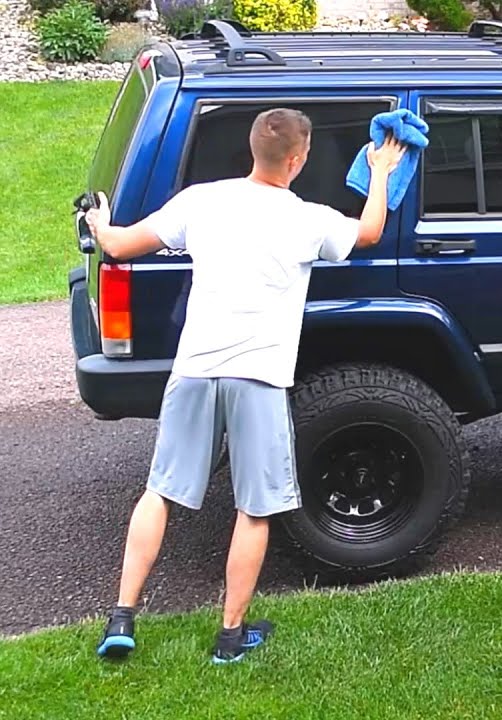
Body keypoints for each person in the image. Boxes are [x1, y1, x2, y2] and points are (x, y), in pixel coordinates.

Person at [86, 108, 406, 664]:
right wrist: (379, 169)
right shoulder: (309, 219)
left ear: (251, 148)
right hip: (259, 377)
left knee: (160, 492)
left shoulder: (201, 201)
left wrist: (96, 223)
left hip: (195, 370)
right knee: (254, 510)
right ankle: (230, 637)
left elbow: (118, 245)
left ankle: (122, 619)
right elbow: (371, 231)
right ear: (299, 160)